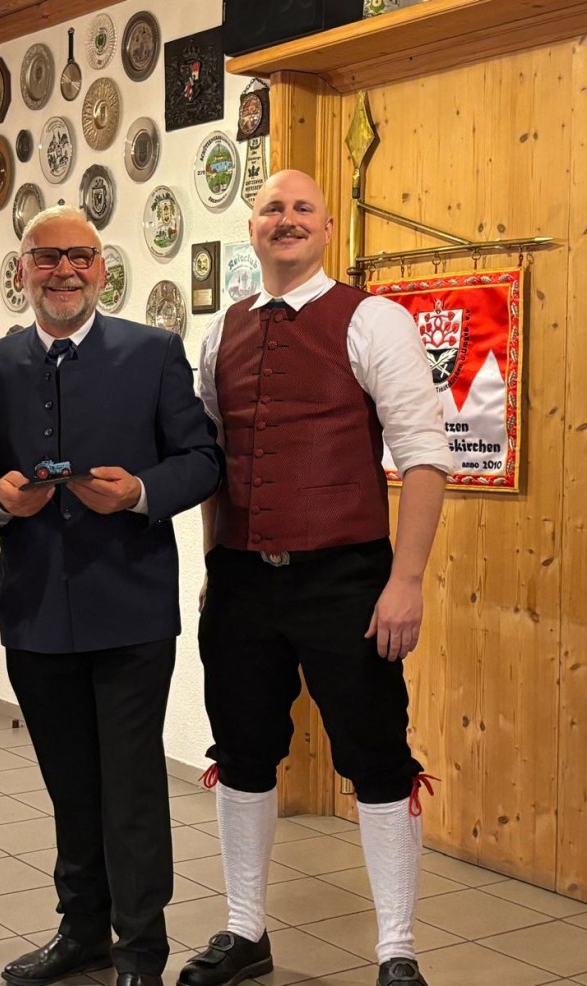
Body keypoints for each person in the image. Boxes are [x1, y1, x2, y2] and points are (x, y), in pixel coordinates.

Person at [178, 170, 450, 986]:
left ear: (328, 228)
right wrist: (212, 564)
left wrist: (406, 581)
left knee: (375, 752)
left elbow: (424, 455)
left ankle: (397, 949)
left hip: (347, 579)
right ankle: (244, 931)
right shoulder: (221, 332)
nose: (286, 219)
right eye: (272, 208)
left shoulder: (372, 319)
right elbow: (216, 463)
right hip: (241, 581)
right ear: (252, 228)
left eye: (302, 208)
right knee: (243, 748)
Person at [0, 205, 222, 986]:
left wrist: (139, 491)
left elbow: (202, 460)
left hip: (131, 609)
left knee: (130, 785)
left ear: (102, 269)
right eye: (47, 257)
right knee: (69, 784)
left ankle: (142, 948)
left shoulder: (153, 353)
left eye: (80, 257)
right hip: (35, 611)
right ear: (22, 270)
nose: (64, 271)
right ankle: (82, 931)